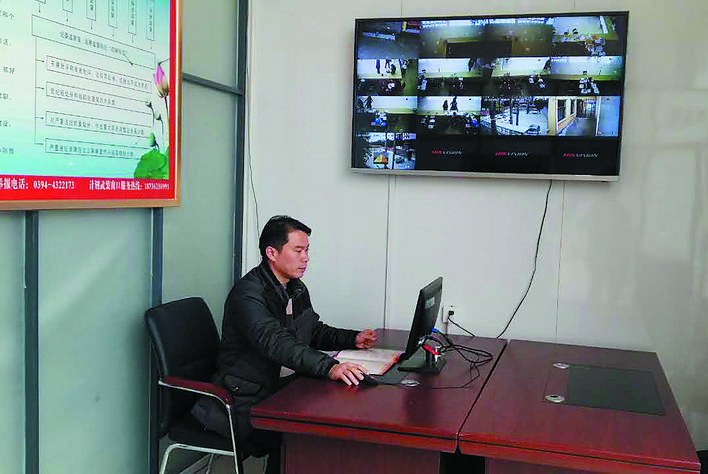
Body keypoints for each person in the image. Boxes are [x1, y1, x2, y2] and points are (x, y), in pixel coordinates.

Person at [214, 215, 378, 474]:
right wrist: (330, 367)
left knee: (335, 416)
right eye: (298, 250)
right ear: (272, 253)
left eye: (307, 250)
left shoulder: (295, 288)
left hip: (284, 385)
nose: (306, 258)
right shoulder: (247, 294)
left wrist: (352, 338)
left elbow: (311, 330)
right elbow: (276, 343)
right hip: (248, 395)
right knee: (312, 434)